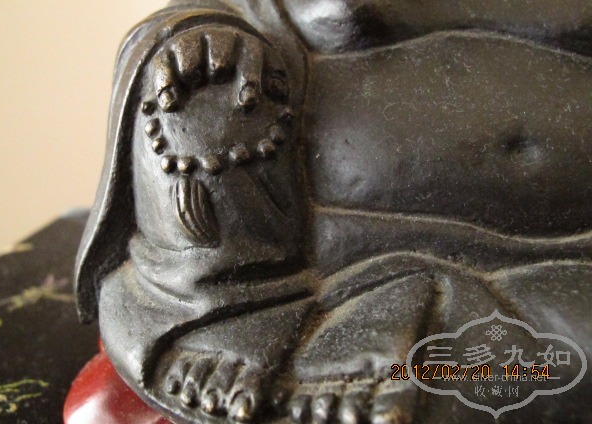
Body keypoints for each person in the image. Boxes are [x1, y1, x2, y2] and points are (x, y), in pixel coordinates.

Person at [76, 1, 592, 422]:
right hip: (312, 242)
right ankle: (244, 322)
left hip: (572, 246)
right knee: (199, 77)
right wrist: (200, 34)